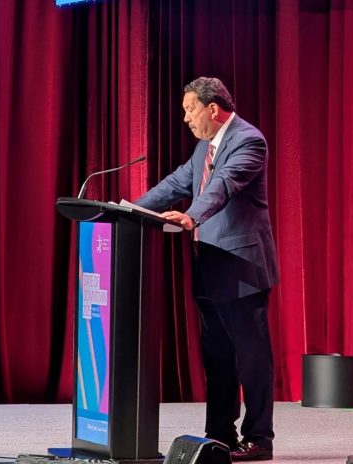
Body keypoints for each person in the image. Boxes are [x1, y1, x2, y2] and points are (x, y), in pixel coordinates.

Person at [134, 77, 279, 462]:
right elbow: (176, 183)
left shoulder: (250, 140)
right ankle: (220, 434)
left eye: (189, 109)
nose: (185, 118)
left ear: (212, 108)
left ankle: (259, 439)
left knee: (251, 356)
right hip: (210, 265)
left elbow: (223, 186)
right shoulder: (204, 147)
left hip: (242, 266)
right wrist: (131, 211)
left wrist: (191, 216)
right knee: (217, 357)